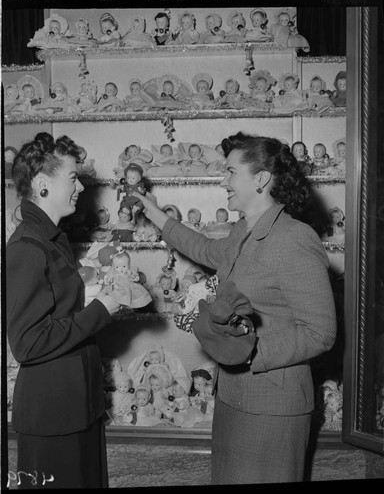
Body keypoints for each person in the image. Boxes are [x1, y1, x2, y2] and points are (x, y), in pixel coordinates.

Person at [133, 132, 337, 484]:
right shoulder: (243, 230)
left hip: (274, 406)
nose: (223, 181)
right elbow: (204, 249)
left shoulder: (295, 238)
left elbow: (321, 333)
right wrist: (155, 214)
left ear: (260, 179)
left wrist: (250, 352)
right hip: (233, 397)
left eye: (230, 172)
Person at [6, 132, 120, 489]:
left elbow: (59, 314)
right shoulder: (28, 246)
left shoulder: (52, 238)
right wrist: (103, 308)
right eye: (73, 178)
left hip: (78, 407)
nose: (81, 189)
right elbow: (27, 342)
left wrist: (100, 291)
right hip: (53, 417)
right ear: (42, 184)